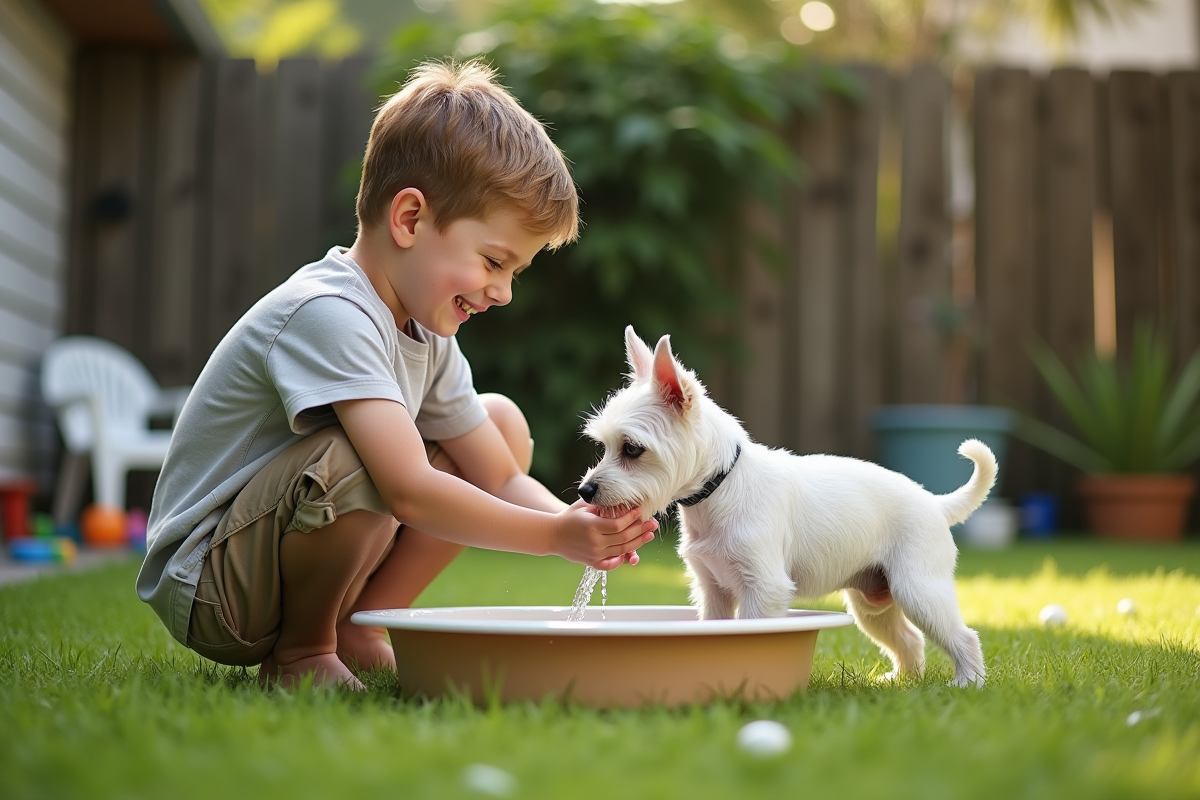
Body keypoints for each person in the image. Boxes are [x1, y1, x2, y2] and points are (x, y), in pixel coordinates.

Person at [136, 60, 658, 690]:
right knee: (365, 455)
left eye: (514, 272)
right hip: (214, 587)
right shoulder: (330, 313)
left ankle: (359, 623)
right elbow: (407, 488)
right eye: (494, 262)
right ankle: (302, 652)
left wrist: (585, 525)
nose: (504, 293)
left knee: (499, 424)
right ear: (410, 219)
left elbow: (496, 474)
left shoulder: (424, 330)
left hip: (269, 551)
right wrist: (552, 536)